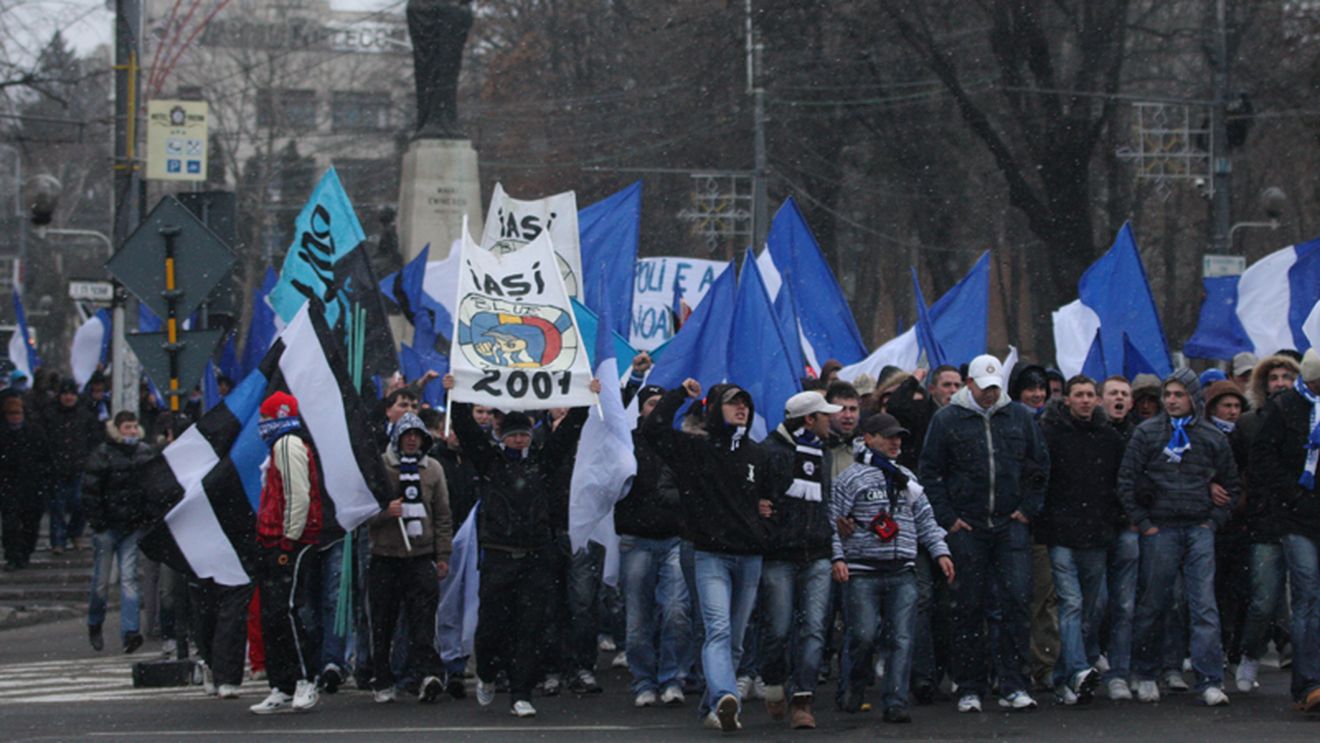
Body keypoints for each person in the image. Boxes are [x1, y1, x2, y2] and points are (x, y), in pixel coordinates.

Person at [444, 373, 593, 718]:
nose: (519, 439)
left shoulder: (542, 463)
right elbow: (465, 426)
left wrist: (586, 398)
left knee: (530, 626)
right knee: (491, 625)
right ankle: (486, 673)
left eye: (523, 433)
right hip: (498, 556)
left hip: (535, 557)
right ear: (502, 436)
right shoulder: (490, 463)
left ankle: (521, 693)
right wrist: (455, 392)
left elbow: (569, 432)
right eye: (512, 434)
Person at [643, 379, 784, 732]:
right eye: (733, 403)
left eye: (746, 405)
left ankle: (715, 707)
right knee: (717, 631)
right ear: (714, 410)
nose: (742, 409)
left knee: (735, 640)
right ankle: (724, 694)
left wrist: (766, 523)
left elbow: (771, 500)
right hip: (711, 556)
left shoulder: (758, 454)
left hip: (749, 556)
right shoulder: (695, 449)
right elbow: (653, 429)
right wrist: (678, 396)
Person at [919, 354, 1048, 713]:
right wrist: (948, 517)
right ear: (970, 384)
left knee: (1016, 603)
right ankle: (970, 686)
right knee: (967, 606)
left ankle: (1013, 683)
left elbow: (1038, 465)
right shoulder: (946, 420)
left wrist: (1028, 508)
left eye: (995, 388)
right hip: (968, 526)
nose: (991, 395)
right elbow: (930, 471)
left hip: (1010, 525)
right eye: (984, 387)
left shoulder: (1019, 416)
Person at [1118, 369, 1239, 707]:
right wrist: (1144, 523)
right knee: (1154, 603)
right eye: (1167, 395)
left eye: (1178, 395)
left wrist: (1213, 522)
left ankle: (1209, 678)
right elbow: (1126, 481)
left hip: (1198, 527)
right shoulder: (1146, 434)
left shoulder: (1212, 437)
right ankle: (1145, 671)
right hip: (1160, 529)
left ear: (1193, 399)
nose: (1171, 400)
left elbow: (1231, 483)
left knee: (1203, 606)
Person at [832, 412, 954, 723]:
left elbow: (926, 520)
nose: (895, 442)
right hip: (862, 570)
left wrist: (941, 552)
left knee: (902, 638)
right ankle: (855, 682)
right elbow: (832, 522)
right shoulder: (850, 478)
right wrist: (839, 558)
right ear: (869, 438)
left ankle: (896, 701)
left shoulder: (908, 479)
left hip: (902, 570)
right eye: (888, 436)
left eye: (898, 436)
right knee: (863, 635)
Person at [1037, 376, 1127, 704]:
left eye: (1090, 395)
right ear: (1068, 400)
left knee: (1092, 607)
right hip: (1061, 533)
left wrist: (1113, 517)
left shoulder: (1109, 439)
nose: (1086, 400)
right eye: (1080, 395)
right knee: (1071, 604)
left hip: (1096, 534)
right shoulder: (1050, 435)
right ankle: (1077, 670)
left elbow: (1121, 482)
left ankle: (1065, 677)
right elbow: (1040, 479)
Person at [758, 391, 842, 729]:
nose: (831, 420)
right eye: (824, 415)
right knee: (777, 628)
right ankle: (774, 679)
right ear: (808, 419)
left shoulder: (822, 453)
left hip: (817, 552)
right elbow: (759, 499)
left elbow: (826, 501)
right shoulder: (769, 452)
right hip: (780, 554)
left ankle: (803, 699)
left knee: (814, 630)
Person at [615, 379, 692, 708]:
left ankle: (672, 677)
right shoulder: (624, 444)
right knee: (637, 619)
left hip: (674, 538)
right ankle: (643, 680)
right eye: (651, 404)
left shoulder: (678, 444)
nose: (657, 409)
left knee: (676, 612)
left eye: (662, 403)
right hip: (636, 541)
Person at [1250, 349, 1320, 713]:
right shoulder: (1284, 408)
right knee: (1308, 595)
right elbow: (1263, 457)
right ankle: (1310, 681)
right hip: (1297, 516)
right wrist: (1292, 494)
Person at [367, 411, 453, 704]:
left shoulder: (433, 470)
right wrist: (384, 513)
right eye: (407, 435)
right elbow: (363, 512)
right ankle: (382, 677)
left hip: (420, 555)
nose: (413, 440)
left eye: (417, 435)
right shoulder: (381, 467)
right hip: (385, 555)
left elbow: (442, 515)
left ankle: (427, 674)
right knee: (383, 621)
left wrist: (443, 555)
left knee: (423, 619)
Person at [249, 392, 325, 715]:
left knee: (289, 611)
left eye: (265, 418)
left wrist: (288, 540)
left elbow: (298, 495)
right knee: (272, 616)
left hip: (289, 542)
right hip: (271, 539)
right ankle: (281, 684)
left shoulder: (288, 445)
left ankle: (306, 679)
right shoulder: (278, 446)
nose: (262, 425)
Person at [1236, 353, 1302, 692]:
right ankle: (1251, 654)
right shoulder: (1248, 423)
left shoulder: (1309, 417)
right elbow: (1234, 470)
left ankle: (1306, 668)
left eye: (1286, 377)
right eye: (1273, 378)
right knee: (1263, 599)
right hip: (1264, 521)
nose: (1279, 383)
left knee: (1304, 600)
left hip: (1302, 520)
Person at [81, 410, 153, 651]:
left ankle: (130, 632)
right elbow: (91, 491)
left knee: (129, 580)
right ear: (118, 429)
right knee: (101, 582)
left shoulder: (143, 453)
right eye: (127, 427)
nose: (132, 431)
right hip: (108, 527)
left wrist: (142, 517)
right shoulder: (102, 454)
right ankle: (95, 623)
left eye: (134, 427)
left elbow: (148, 489)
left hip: (131, 527)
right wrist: (98, 521)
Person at [41, 379, 98, 554]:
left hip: (79, 467)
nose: (68, 397)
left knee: (79, 503)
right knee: (57, 506)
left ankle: (74, 533)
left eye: (72, 394)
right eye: (65, 394)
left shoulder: (85, 415)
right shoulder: (50, 415)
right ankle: (58, 541)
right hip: (57, 468)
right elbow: (44, 441)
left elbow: (93, 440)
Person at [1, 390, 50, 571]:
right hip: (9, 487)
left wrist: (44, 478)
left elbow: (46, 458)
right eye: (11, 414)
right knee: (10, 525)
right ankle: (13, 556)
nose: (14, 418)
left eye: (17, 413)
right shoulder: (4, 434)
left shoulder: (34, 432)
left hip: (31, 486)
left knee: (30, 523)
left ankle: (24, 553)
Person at [1101, 376, 1136, 441]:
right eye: (1113, 393)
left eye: (1124, 394)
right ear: (1100, 401)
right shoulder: (1089, 433)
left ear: (1131, 404)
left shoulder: (1138, 436)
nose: (1120, 397)